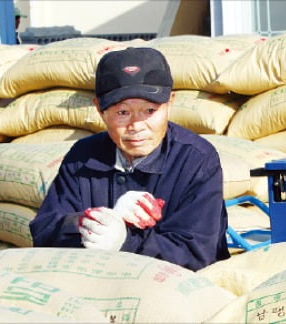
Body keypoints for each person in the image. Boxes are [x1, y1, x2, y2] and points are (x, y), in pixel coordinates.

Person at [30, 47, 231, 270]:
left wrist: (125, 241)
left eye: (150, 111)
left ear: (170, 103)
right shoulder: (83, 157)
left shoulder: (196, 160)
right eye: (122, 113)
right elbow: (44, 230)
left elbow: (196, 253)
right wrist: (94, 222)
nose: (136, 126)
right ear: (100, 109)